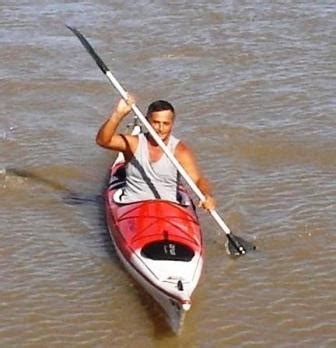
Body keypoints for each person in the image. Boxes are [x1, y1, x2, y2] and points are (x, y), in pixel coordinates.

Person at [96, 95, 216, 210]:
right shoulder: (134, 143)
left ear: (172, 124)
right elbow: (103, 141)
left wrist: (207, 196)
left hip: (169, 209)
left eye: (166, 123)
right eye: (156, 122)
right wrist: (119, 114)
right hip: (133, 206)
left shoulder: (180, 150)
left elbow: (198, 179)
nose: (160, 128)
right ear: (147, 121)